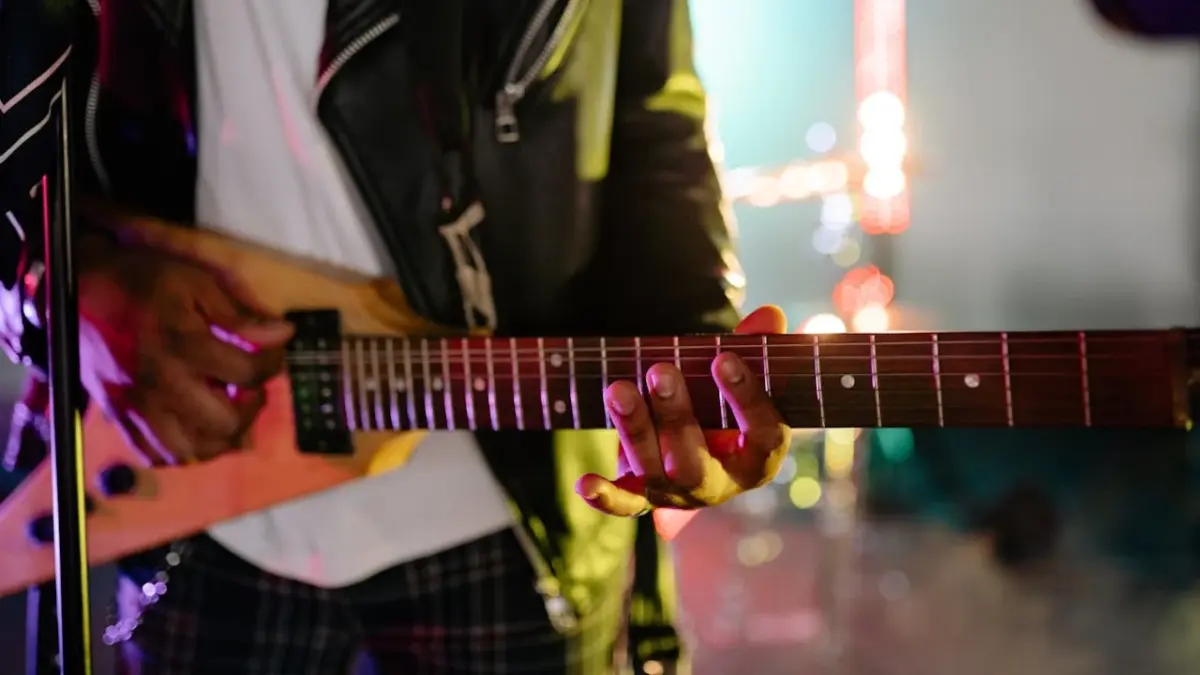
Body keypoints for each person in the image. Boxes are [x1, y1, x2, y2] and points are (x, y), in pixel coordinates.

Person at [0, 1, 792, 673]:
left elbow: (652, 123)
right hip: (194, 508)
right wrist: (59, 286)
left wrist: (696, 365)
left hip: (506, 524)